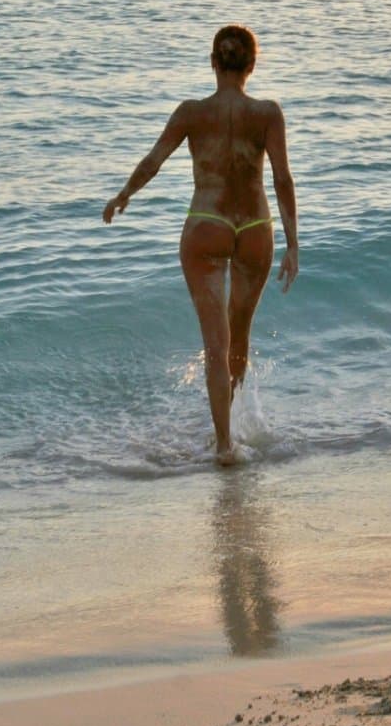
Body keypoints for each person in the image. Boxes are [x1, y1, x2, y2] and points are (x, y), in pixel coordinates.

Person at [103, 24, 298, 464]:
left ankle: (225, 444)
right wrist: (293, 243)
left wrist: (123, 196)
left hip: (206, 223)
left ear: (213, 62)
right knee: (239, 341)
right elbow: (283, 179)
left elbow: (153, 160)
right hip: (254, 228)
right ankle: (234, 428)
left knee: (215, 344)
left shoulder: (191, 112)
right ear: (251, 65)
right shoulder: (268, 113)